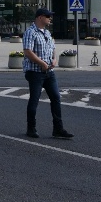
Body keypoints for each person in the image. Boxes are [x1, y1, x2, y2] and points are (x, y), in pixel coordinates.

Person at [23, 8, 74, 139]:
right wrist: (41, 63)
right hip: (35, 72)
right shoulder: (30, 32)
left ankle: (58, 129)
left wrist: (54, 59)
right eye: (48, 16)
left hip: (49, 72)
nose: (50, 18)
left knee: (56, 98)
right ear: (40, 17)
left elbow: (52, 48)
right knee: (34, 100)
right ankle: (31, 128)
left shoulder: (47, 32)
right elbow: (27, 51)